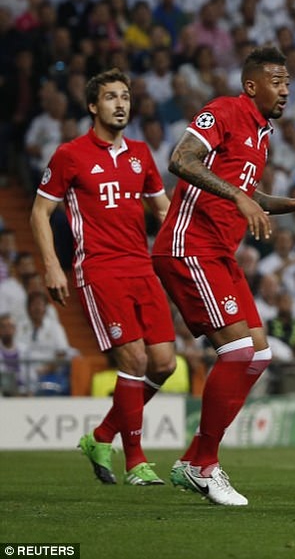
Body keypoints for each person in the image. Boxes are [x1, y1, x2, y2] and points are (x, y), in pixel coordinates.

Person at [152, 46, 295, 506]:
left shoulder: (262, 132)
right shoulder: (223, 111)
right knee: (237, 352)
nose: (286, 90)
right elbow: (182, 159)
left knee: (258, 354)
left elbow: (248, 192)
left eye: (288, 82)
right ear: (252, 86)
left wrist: (293, 204)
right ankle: (203, 466)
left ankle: (193, 459)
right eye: (277, 82)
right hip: (188, 245)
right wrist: (239, 197)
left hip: (220, 254)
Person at [30, 68, 177, 485]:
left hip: (141, 267)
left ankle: (100, 436)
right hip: (100, 270)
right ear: (93, 106)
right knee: (135, 360)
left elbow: (162, 209)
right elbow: (40, 212)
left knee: (164, 364)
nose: (121, 104)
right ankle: (136, 462)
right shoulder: (70, 154)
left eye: (125, 96)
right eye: (111, 97)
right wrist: (51, 265)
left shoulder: (141, 154)